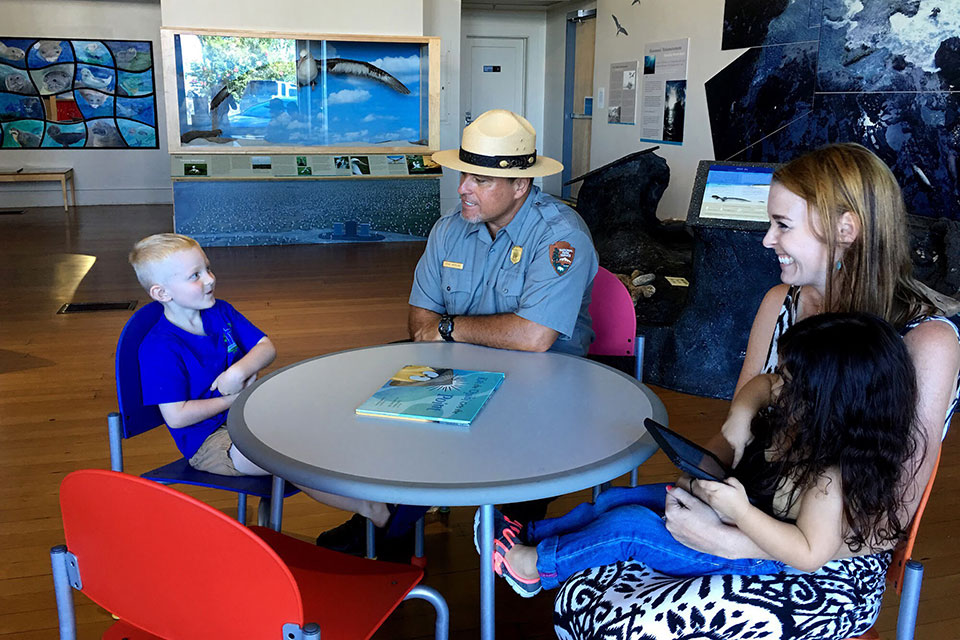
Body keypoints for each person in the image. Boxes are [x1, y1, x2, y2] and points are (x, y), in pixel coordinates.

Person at [554, 143, 960, 640]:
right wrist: (702, 482)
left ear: (845, 230)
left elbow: (886, 523)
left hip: (829, 563)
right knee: (586, 583)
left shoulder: (926, 341)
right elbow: (737, 436)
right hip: (758, 506)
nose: (768, 240)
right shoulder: (779, 303)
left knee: (633, 621)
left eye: (783, 225)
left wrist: (737, 540)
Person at [481, 312, 923, 597]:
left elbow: (808, 552)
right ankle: (533, 530)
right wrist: (741, 417)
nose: (778, 385)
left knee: (631, 527)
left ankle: (537, 566)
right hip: (736, 515)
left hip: (753, 560)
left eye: (789, 381)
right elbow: (762, 385)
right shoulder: (806, 413)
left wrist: (739, 511)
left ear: (832, 400)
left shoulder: (831, 480)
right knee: (619, 499)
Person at [317, 109, 601, 553]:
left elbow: (533, 339)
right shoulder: (449, 229)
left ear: (520, 185)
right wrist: (449, 337)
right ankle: (389, 521)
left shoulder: (560, 238)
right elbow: (418, 322)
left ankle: (516, 527)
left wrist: (448, 328)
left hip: (543, 382)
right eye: (464, 174)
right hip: (457, 370)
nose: (463, 188)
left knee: (514, 487)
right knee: (386, 408)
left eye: (481, 180)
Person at [129, 233, 391, 528]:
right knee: (291, 455)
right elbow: (176, 418)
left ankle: (379, 485)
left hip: (250, 417)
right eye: (195, 276)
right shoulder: (158, 348)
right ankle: (375, 510)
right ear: (162, 293)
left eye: (208, 269)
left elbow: (266, 347)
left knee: (320, 420)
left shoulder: (220, 311)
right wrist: (232, 398)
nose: (210, 280)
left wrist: (237, 372)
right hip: (210, 444)